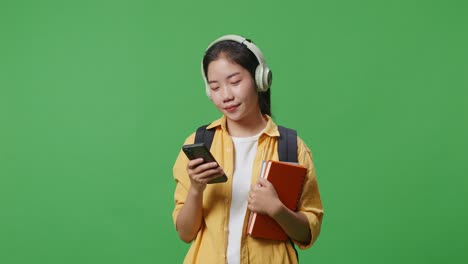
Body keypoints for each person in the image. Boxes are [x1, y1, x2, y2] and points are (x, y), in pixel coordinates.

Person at [172, 34, 323, 264]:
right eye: (215, 87)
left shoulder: (291, 148)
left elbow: (307, 234)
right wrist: (195, 189)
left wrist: (277, 209)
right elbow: (185, 233)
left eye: (235, 82)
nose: (226, 95)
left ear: (259, 79)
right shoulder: (201, 142)